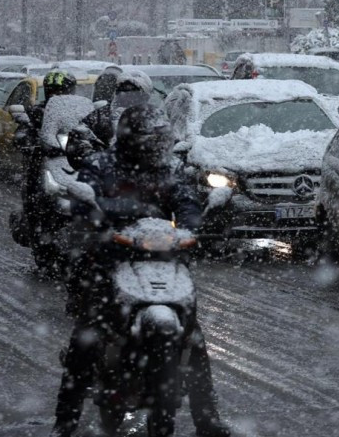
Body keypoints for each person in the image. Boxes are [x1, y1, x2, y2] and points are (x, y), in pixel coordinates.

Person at [50, 105, 230, 437]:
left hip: (163, 261)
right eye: (154, 141)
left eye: (163, 141)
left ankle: (207, 417)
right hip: (110, 260)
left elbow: (187, 201)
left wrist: (193, 228)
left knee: (194, 337)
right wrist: (113, 215)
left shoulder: (171, 168)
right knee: (87, 337)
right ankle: (65, 422)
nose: (159, 148)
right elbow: (81, 203)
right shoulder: (101, 166)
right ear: (136, 140)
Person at [12, 71, 78, 246]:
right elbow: (22, 133)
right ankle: (33, 228)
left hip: (73, 162)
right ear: (47, 92)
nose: (58, 95)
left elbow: (97, 131)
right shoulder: (36, 113)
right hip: (44, 161)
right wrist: (27, 140)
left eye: (63, 91)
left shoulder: (80, 114)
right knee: (33, 189)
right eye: (54, 91)